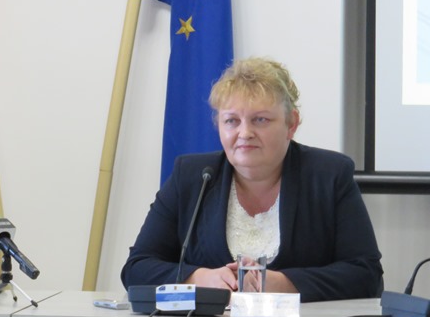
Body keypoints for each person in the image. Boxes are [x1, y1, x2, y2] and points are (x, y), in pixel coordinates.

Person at [121, 57, 383, 302]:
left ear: (291, 124)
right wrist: (198, 278)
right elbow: (136, 268)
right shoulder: (192, 177)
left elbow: (366, 275)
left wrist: (283, 284)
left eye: (260, 120)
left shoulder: (329, 175)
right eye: (231, 121)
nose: (245, 133)